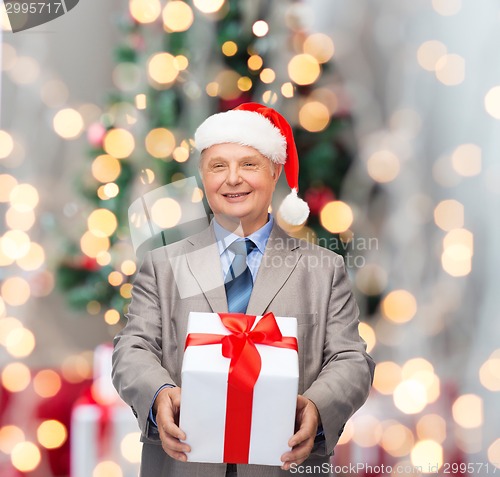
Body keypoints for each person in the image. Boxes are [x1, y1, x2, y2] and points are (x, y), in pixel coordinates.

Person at [112, 102, 375, 477]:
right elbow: (132, 348)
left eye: (248, 164)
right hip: (183, 462)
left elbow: (351, 360)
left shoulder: (323, 269)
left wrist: (317, 406)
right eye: (218, 166)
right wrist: (158, 395)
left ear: (275, 170)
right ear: (204, 177)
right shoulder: (162, 265)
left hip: (285, 464)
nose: (232, 179)